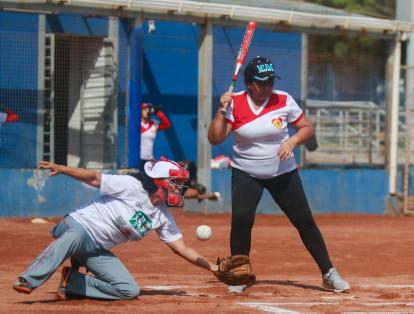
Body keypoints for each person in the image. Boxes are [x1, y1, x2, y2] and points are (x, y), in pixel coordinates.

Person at [207, 56, 350, 293]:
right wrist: (222, 111)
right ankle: (240, 276)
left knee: (304, 221)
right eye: (261, 83)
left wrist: (293, 141)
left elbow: (307, 127)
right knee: (242, 221)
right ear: (250, 82)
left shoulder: (284, 100)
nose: (266, 87)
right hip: (246, 173)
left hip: (283, 173)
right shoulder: (236, 102)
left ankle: (329, 273)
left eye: (270, 82)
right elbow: (215, 138)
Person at [13, 157, 218, 300]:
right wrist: (63, 168)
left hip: (96, 248)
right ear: (159, 183)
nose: (181, 190)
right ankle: (29, 279)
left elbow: (182, 248)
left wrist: (213, 268)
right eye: (176, 184)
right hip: (78, 225)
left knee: (128, 290)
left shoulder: (162, 215)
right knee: (74, 237)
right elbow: (94, 178)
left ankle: (72, 282)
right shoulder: (131, 186)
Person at [140, 102, 171, 170]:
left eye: (148, 109)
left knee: (149, 179)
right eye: (145, 109)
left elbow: (167, 125)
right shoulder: (137, 123)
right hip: (138, 158)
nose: (147, 111)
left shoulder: (154, 123)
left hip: (149, 159)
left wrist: (158, 113)